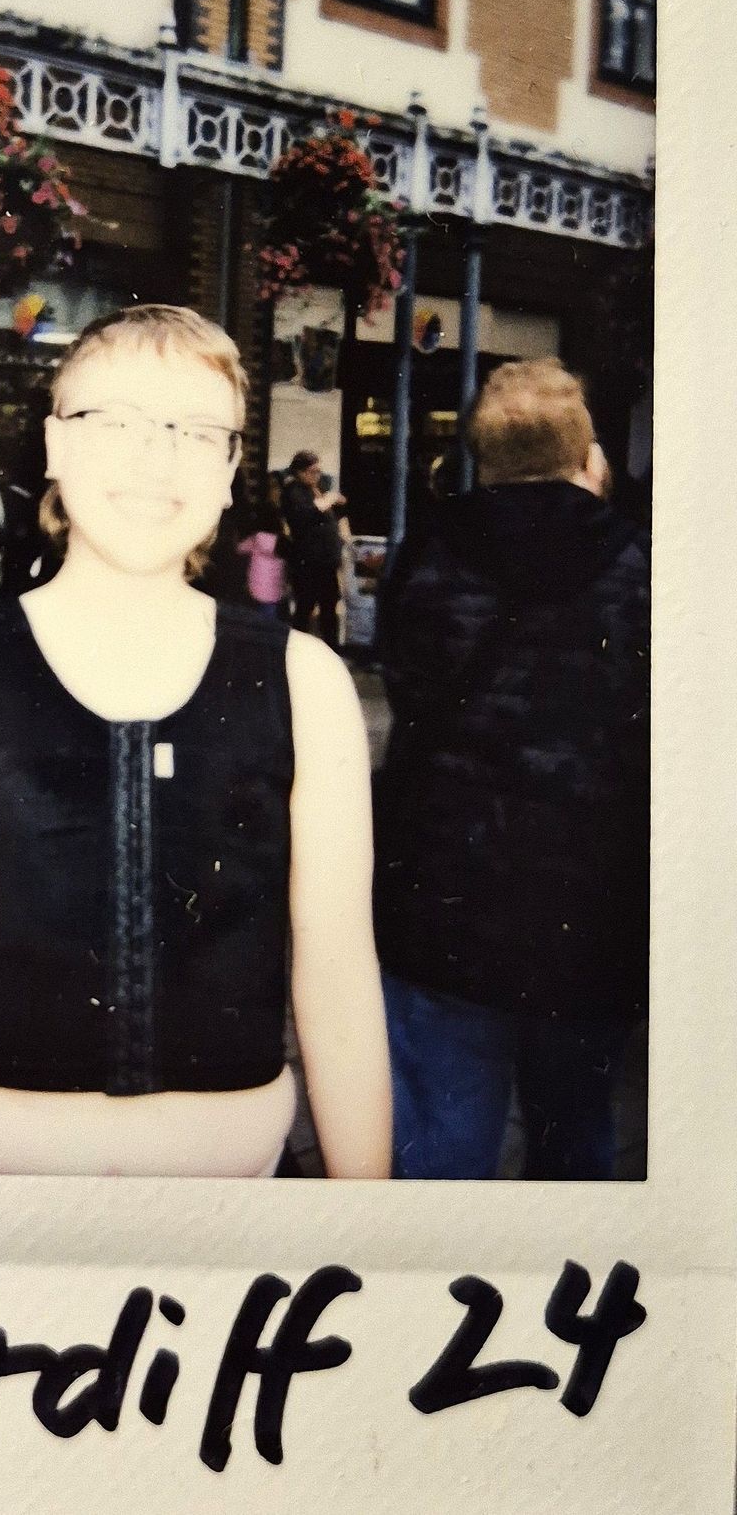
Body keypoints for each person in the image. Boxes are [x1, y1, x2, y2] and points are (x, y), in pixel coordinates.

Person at [0, 304, 391, 1178]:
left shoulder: (304, 682)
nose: (152, 459)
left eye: (195, 431)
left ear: (233, 465)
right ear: (54, 447)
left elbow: (340, 978)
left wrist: (371, 1226)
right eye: (114, 421)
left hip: (242, 1218)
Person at [372, 358, 650, 1180]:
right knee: (577, 1134)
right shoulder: (641, 562)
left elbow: (407, 683)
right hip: (591, 913)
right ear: (587, 453)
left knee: (441, 1141)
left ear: (483, 459)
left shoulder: (427, 552)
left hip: (443, 902)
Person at [280, 450, 351, 650]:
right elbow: (304, 515)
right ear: (300, 472)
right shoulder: (294, 491)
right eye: (312, 472)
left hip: (324, 561)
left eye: (319, 472)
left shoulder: (315, 489)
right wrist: (326, 501)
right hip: (310, 561)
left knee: (328, 607)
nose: (317, 476)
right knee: (306, 607)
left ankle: (331, 647)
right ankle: (297, 648)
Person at [236, 502, 288, 620]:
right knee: (269, 620)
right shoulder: (282, 542)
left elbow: (240, 548)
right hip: (274, 591)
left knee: (254, 617)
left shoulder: (256, 538)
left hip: (255, 589)